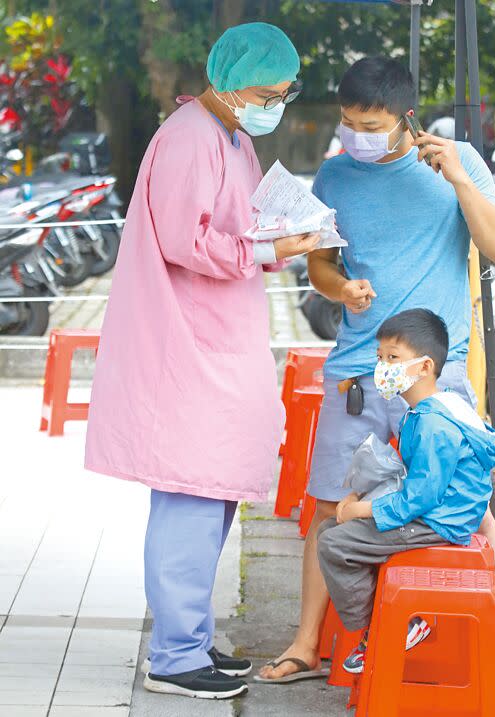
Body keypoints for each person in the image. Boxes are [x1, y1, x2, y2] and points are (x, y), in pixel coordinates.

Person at [258, 56, 495, 707]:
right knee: (327, 504)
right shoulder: (336, 172)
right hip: (358, 369)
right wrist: (341, 287)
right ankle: (307, 642)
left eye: (370, 125)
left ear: (405, 117)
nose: (357, 136)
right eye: (349, 123)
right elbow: (320, 264)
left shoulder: (455, 162)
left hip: (436, 375)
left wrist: (461, 179)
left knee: (472, 511)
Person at [85, 23, 319, 701]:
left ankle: (188, 636)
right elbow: (192, 242)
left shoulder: (235, 138)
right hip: (184, 343)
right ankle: (173, 654)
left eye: (284, 91)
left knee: (211, 490)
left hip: (217, 338)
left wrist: (281, 233)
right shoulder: (190, 139)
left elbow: (237, 224)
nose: (277, 100)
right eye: (269, 91)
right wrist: (275, 251)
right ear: (233, 81)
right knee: (189, 490)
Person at [317, 308, 495, 674]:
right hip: (434, 512)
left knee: (334, 543)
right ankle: (389, 619)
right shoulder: (431, 408)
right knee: (333, 531)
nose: (382, 367)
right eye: (379, 358)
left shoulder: (433, 423)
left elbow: (421, 497)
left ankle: (383, 630)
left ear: (424, 367)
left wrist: (364, 511)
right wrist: (359, 496)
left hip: (439, 521)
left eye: (393, 358)